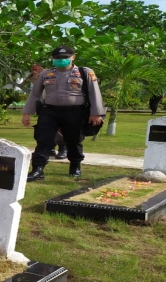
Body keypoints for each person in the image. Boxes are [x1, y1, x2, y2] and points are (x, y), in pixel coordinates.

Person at [21, 45, 105, 181]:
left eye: (65, 58)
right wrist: (26, 113)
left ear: (73, 57)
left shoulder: (85, 72)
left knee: (74, 140)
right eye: (57, 58)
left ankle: (75, 166)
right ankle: (37, 170)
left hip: (75, 112)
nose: (61, 60)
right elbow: (35, 94)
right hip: (49, 112)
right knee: (43, 140)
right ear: (53, 59)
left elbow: (94, 93)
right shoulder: (46, 74)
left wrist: (96, 113)